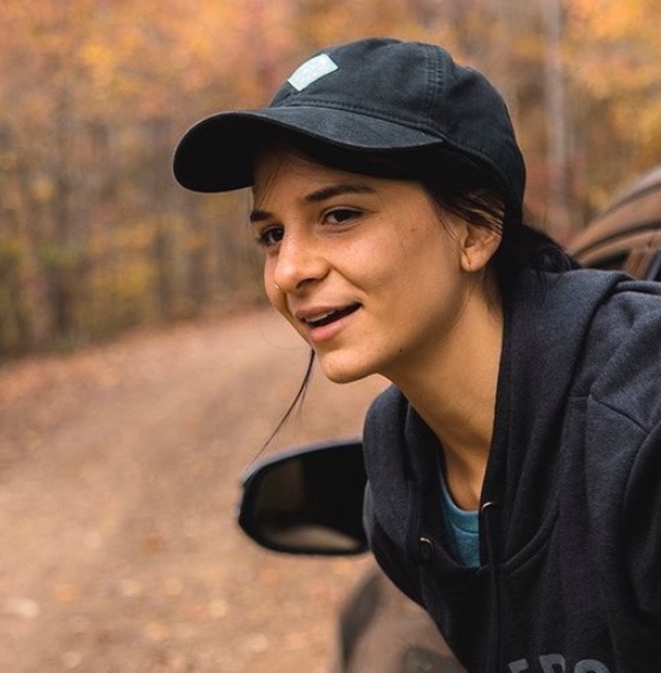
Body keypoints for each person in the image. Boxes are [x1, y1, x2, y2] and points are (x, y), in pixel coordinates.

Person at [172, 37, 661, 673]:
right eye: (272, 234)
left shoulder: (639, 425)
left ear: (478, 229)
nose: (289, 270)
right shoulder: (400, 478)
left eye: (340, 214)